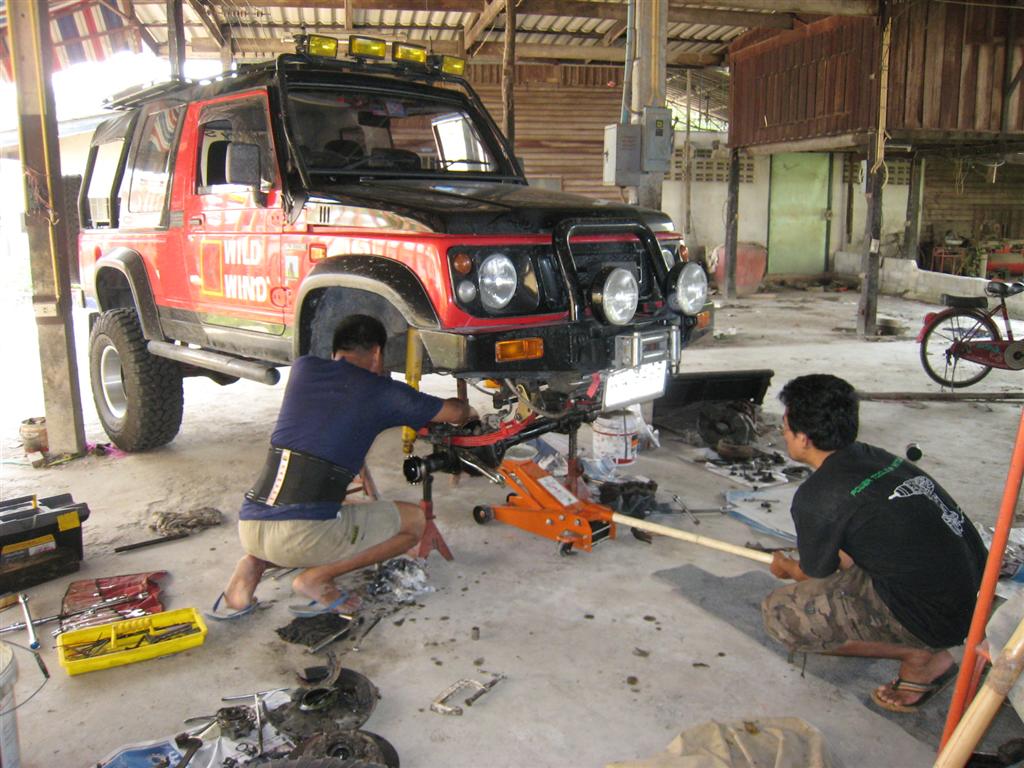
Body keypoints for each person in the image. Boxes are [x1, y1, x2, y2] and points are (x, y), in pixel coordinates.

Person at [211, 314, 476, 619]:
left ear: (335, 349)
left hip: (250, 525)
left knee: (333, 505)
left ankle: (250, 568)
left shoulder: (304, 369)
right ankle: (317, 578)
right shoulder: (382, 392)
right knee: (414, 521)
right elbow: (454, 413)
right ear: (377, 353)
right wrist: (467, 409)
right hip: (300, 536)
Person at [762, 374, 987, 713]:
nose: (783, 435)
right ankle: (921, 637)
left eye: (785, 428)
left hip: (940, 617)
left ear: (804, 439)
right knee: (847, 546)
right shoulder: (873, 455)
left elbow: (813, 575)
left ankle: (921, 656)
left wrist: (787, 567)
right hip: (977, 590)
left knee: (780, 615)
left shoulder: (818, 497)